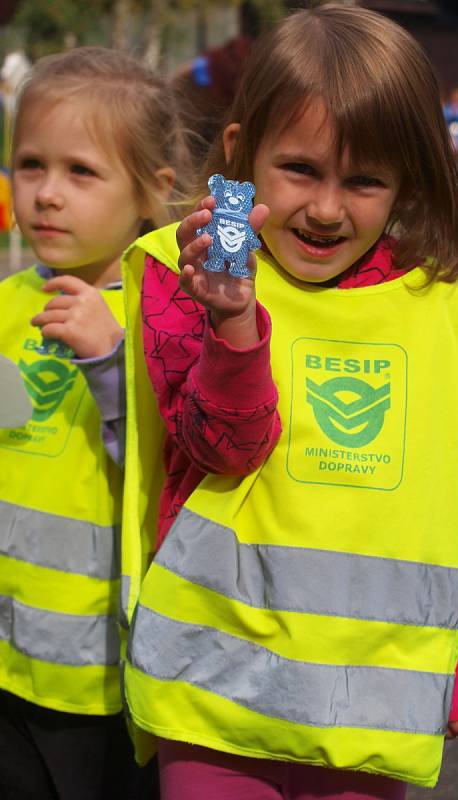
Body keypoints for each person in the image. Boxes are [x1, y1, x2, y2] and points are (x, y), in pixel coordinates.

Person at [121, 4, 458, 797]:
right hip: (212, 694)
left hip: (368, 706)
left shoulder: (445, 314)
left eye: (365, 180)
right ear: (241, 155)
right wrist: (234, 324)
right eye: (301, 170)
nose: (329, 209)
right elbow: (221, 450)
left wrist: (447, 657)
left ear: (409, 177)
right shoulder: (187, 279)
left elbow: (450, 515)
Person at [0, 46, 191, 799]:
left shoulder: (167, 316)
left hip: (105, 685)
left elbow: (173, 464)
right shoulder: (11, 303)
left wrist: (111, 358)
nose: (47, 194)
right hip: (9, 661)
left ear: (152, 191)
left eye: (81, 172)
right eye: (30, 165)